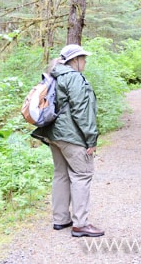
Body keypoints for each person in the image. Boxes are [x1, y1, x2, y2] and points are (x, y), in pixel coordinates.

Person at [31, 44, 104, 238]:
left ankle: (60, 219)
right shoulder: (74, 77)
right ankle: (80, 224)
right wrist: (91, 138)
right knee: (82, 174)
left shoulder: (54, 74)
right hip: (72, 135)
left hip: (54, 134)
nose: (85, 62)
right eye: (83, 58)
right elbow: (82, 111)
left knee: (61, 174)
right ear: (75, 60)